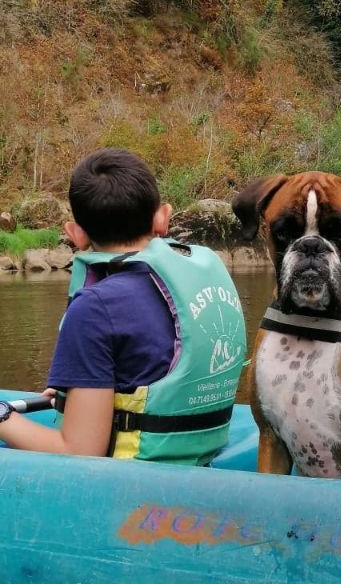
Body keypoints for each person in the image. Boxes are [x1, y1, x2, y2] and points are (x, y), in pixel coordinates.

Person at [0, 148, 247, 464]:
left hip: (137, 489)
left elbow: (79, 452)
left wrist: (4, 418)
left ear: (76, 235)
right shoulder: (205, 273)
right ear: (163, 217)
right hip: (201, 459)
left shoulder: (94, 309)